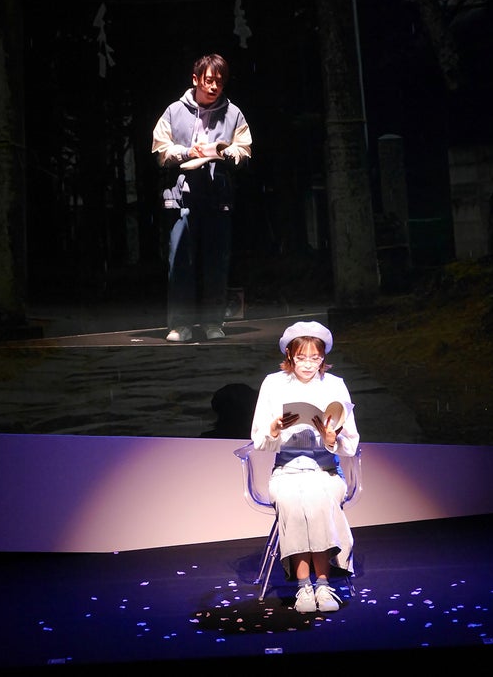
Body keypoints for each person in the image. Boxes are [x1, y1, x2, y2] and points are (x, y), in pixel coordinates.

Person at [250, 320, 360, 613]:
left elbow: (351, 445)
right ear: (289, 355)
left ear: (324, 358)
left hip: (326, 471)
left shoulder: (335, 385)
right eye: (301, 358)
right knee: (292, 502)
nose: (309, 364)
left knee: (319, 499)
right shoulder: (273, 383)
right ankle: (303, 587)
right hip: (286, 470)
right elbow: (258, 441)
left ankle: (323, 584)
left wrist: (332, 439)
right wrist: (274, 430)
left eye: (316, 358)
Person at [152, 53, 252, 342]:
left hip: (217, 197)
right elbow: (160, 149)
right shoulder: (174, 111)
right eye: (208, 80)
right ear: (195, 79)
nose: (214, 86)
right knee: (180, 262)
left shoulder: (233, 113)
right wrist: (187, 152)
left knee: (216, 262)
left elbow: (244, 147)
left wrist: (230, 153)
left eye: (219, 81)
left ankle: (213, 323)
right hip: (181, 197)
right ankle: (180, 325)